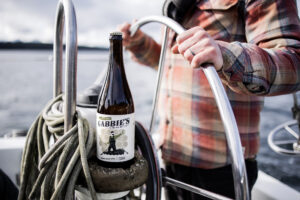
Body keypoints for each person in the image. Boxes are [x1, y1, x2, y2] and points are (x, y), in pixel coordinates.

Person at [118, 0, 300, 199]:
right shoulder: (176, 5)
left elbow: (294, 64)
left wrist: (226, 55)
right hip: (169, 157)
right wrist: (140, 44)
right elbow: (167, 64)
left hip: (222, 170)